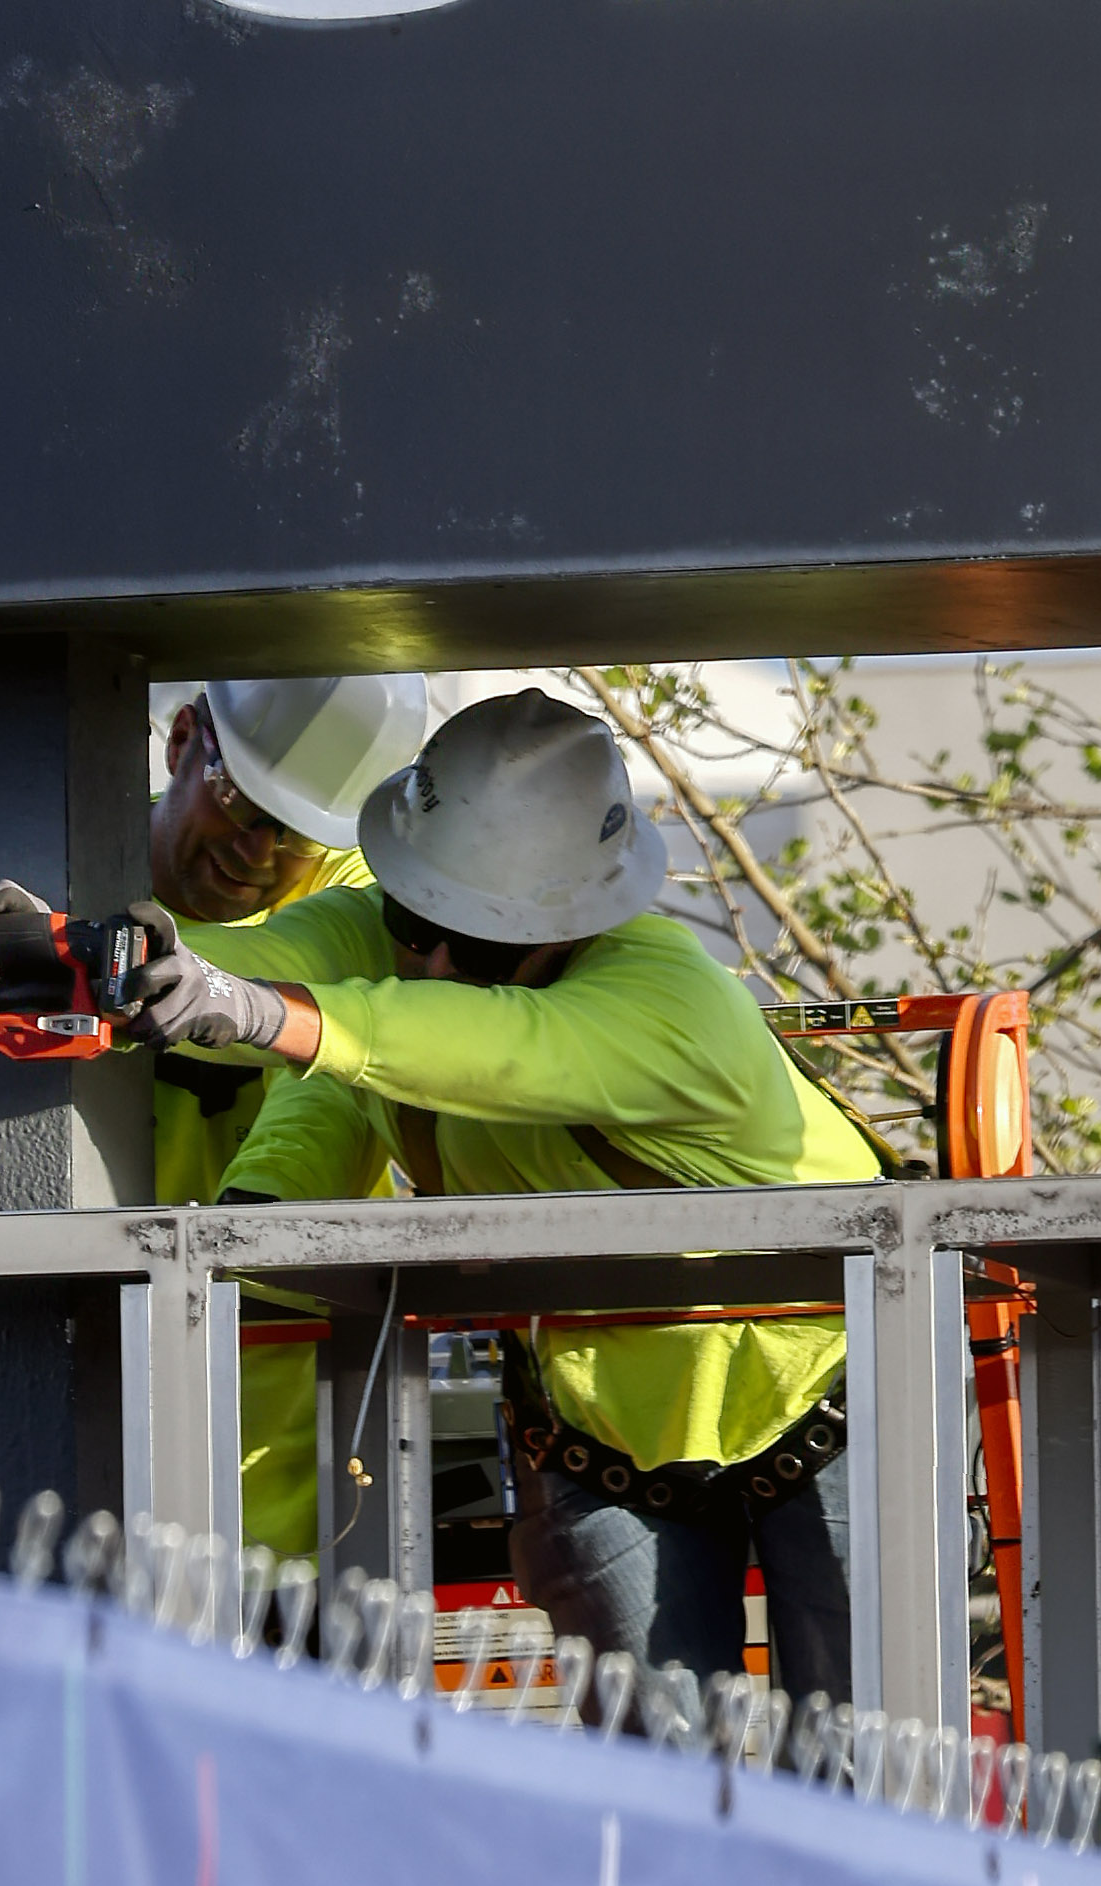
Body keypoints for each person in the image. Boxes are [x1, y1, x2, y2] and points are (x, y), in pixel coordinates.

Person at [146, 688, 877, 1707]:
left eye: (481, 947)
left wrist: (266, 1012)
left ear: (573, 922)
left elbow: (493, 1048)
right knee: (659, 1795)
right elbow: (264, 976)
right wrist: (115, 953)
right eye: (413, 916)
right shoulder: (375, 948)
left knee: (871, 1781)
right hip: (599, 1440)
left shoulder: (668, 996)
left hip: (830, 1408)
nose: (434, 960)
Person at [135, 673, 431, 1559]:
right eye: (240, 802)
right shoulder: (72, 867)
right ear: (183, 738)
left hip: (302, 1379)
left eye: (295, 832)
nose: (259, 852)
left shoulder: (362, 896)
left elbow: (338, 1063)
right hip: (108, 1367)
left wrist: (250, 1222)